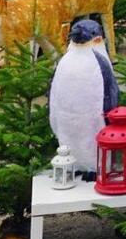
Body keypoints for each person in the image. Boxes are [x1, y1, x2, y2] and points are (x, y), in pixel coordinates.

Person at [48, 19, 120, 181]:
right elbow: (110, 95)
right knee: (90, 135)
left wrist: (54, 121)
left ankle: (84, 165)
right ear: (97, 38)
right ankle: (94, 166)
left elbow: (52, 95)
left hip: (73, 125)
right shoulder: (98, 61)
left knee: (82, 135)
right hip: (94, 122)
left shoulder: (64, 62)